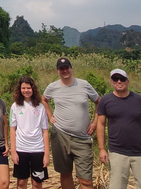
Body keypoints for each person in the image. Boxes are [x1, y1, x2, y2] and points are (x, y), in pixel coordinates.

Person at [97, 69, 141, 189]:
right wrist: (101, 148)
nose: (119, 81)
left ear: (128, 81)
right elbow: (100, 124)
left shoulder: (139, 99)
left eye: (122, 79)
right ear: (111, 82)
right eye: (115, 79)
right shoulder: (105, 101)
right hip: (117, 152)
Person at [43, 57, 100, 189]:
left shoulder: (84, 85)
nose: (65, 71)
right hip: (60, 135)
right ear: (58, 71)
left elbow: (99, 102)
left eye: (67, 67)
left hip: (82, 138)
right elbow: (44, 99)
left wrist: (95, 122)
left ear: (71, 68)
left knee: (85, 180)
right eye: (62, 69)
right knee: (65, 174)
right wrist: (50, 115)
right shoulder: (53, 87)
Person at [9, 76, 50, 189]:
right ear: (20, 89)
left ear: (33, 89)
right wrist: (13, 151)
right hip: (21, 149)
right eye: (23, 88)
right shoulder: (15, 106)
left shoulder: (40, 107)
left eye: (28, 88)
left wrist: (46, 154)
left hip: (38, 149)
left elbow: (45, 131)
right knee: (21, 183)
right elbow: (12, 129)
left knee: (37, 183)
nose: (26, 90)